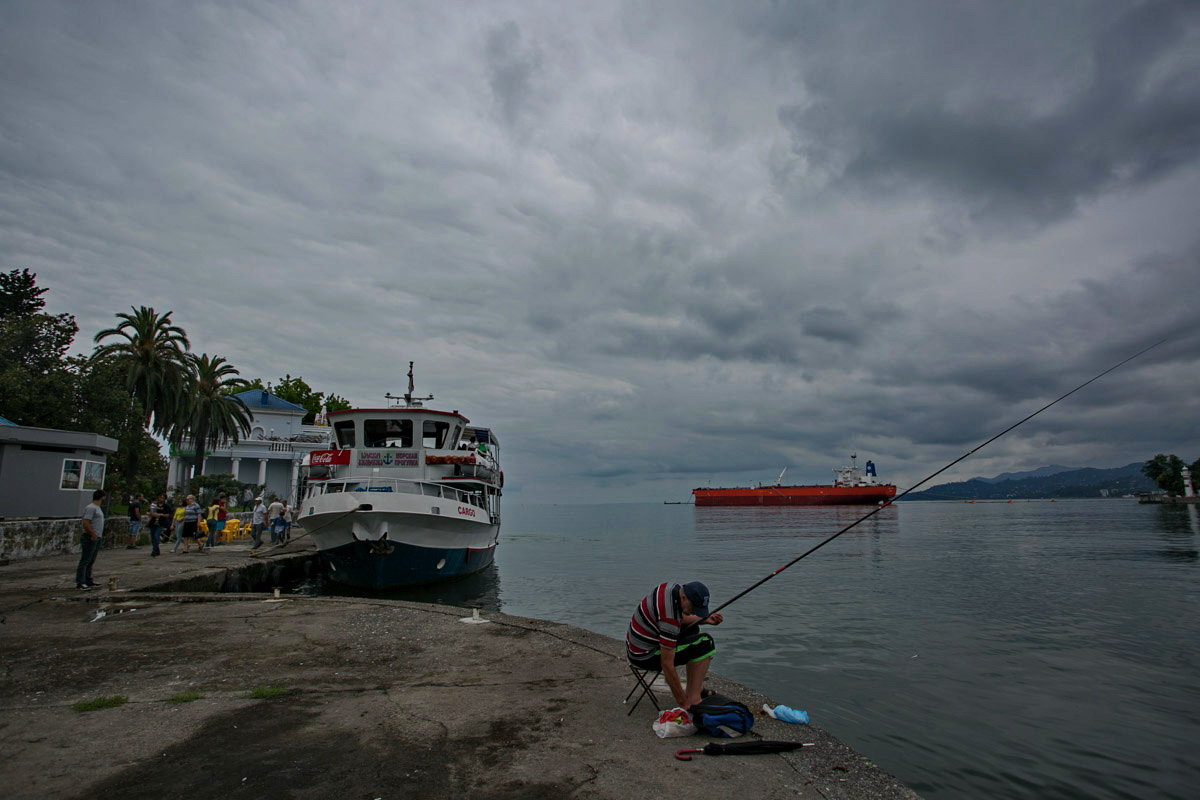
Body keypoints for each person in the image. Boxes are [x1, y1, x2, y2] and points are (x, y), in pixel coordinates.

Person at [626, 581, 724, 710]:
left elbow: (679, 618)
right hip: (644, 656)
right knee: (705, 643)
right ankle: (693, 700)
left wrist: (704, 620)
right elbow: (666, 664)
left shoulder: (671, 589)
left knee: (694, 630)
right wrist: (683, 703)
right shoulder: (669, 619)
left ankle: (696, 689)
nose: (694, 612)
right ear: (684, 598)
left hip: (637, 647)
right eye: (694, 608)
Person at [75, 489, 107, 590]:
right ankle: (81, 582)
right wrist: (92, 534)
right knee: (85, 560)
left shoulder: (97, 508)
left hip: (96, 537)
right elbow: (85, 522)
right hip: (90, 537)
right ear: (102, 497)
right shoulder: (91, 508)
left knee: (91, 560)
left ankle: (88, 580)